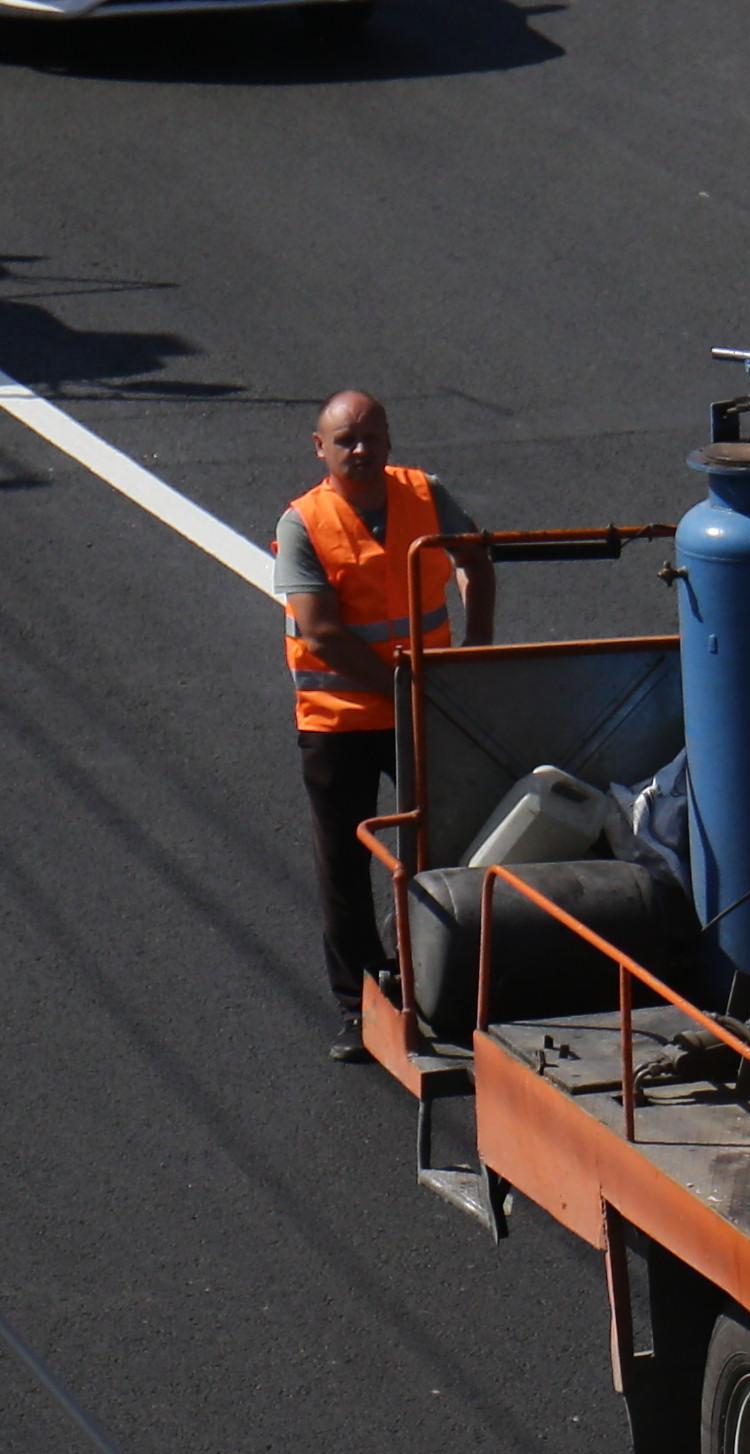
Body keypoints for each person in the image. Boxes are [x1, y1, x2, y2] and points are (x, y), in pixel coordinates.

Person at [279, 392, 495, 1060]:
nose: (362, 450)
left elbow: (476, 562)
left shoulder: (425, 493)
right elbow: (320, 630)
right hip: (339, 720)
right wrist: (404, 689)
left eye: (373, 436)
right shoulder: (303, 523)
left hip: (420, 707)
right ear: (321, 448)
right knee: (344, 863)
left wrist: (476, 655)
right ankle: (358, 1006)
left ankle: (429, 975)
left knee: (444, 844)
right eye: (346, 440)